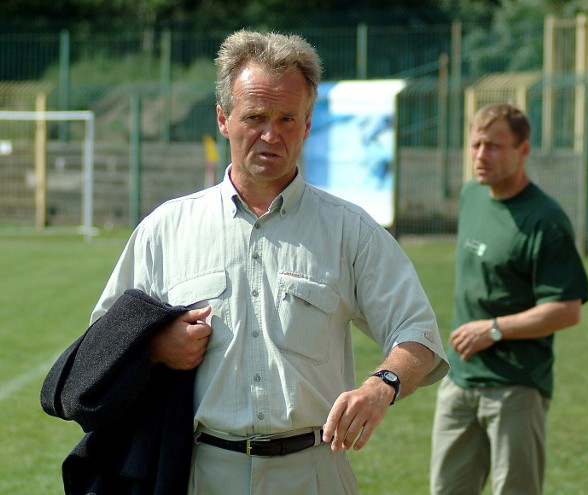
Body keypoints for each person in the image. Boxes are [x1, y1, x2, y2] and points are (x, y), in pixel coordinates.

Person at [91, 30, 449, 495]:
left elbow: (418, 332)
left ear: (307, 123)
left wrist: (382, 385)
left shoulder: (350, 229)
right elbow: (103, 344)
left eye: (286, 118)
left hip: (315, 472)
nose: (270, 134)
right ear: (223, 118)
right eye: (255, 116)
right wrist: (156, 346)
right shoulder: (165, 229)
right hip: (199, 472)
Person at [429, 103, 588, 495]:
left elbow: (567, 310)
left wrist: (495, 329)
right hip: (460, 377)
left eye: (494, 146)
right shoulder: (472, 195)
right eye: (475, 145)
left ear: (524, 150)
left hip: (516, 387)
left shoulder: (546, 220)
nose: (481, 156)